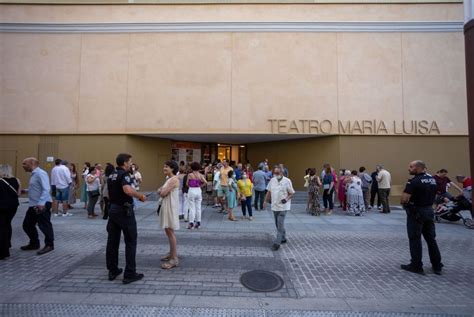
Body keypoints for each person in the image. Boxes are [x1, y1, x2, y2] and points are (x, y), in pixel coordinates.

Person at [106, 153, 146, 284]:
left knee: (112, 241)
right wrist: (140, 196)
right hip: (124, 211)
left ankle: (112, 270)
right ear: (124, 163)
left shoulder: (112, 174)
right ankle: (129, 273)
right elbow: (127, 190)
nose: (131, 164)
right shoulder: (124, 175)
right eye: (130, 162)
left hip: (113, 210)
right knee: (130, 240)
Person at [400, 160, 443, 275]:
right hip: (429, 210)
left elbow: (404, 199)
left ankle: (416, 265)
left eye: (411, 167)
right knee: (430, 238)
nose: (409, 169)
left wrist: (406, 206)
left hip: (417, 212)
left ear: (418, 168)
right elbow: (438, 194)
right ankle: (437, 265)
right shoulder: (432, 180)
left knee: (415, 238)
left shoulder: (414, 181)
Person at [20, 157, 55, 255]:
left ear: (32, 163)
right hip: (34, 204)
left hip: (41, 204)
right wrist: (26, 191)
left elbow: (46, 189)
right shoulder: (34, 174)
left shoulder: (40, 173)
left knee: (44, 225)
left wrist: (41, 203)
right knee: (27, 225)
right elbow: (37, 188)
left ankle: (49, 245)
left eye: (24, 163)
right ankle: (34, 243)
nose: (23, 166)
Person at [264, 165, 295, 251]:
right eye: (274, 173)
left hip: (284, 206)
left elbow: (292, 193)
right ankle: (283, 238)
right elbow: (269, 192)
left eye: (277, 173)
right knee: (277, 224)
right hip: (274, 206)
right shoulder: (272, 180)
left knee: (280, 224)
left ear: (281, 172)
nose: (276, 174)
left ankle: (277, 243)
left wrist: (286, 199)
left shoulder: (287, 181)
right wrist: (265, 201)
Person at [158, 160, 180, 269]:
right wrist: (161, 190)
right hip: (168, 206)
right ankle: (171, 254)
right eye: (164, 166)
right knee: (168, 231)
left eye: (166, 167)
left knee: (170, 232)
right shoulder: (170, 179)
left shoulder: (173, 180)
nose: (164, 168)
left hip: (170, 207)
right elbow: (161, 190)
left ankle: (174, 258)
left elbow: (162, 193)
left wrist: (161, 190)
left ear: (172, 169)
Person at [0, 165, 21, 260]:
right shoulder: (17, 180)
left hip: (2, 207)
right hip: (13, 206)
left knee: (2, 227)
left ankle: (3, 250)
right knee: (7, 224)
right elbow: (18, 194)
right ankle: (7, 243)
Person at [187, 162, 207, 229]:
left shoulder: (190, 175)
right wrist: (200, 186)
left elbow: (187, 184)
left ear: (192, 167)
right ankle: (198, 223)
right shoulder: (201, 175)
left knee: (192, 207)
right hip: (198, 190)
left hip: (192, 190)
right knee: (198, 207)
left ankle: (191, 223)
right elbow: (206, 182)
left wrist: (191, 184)